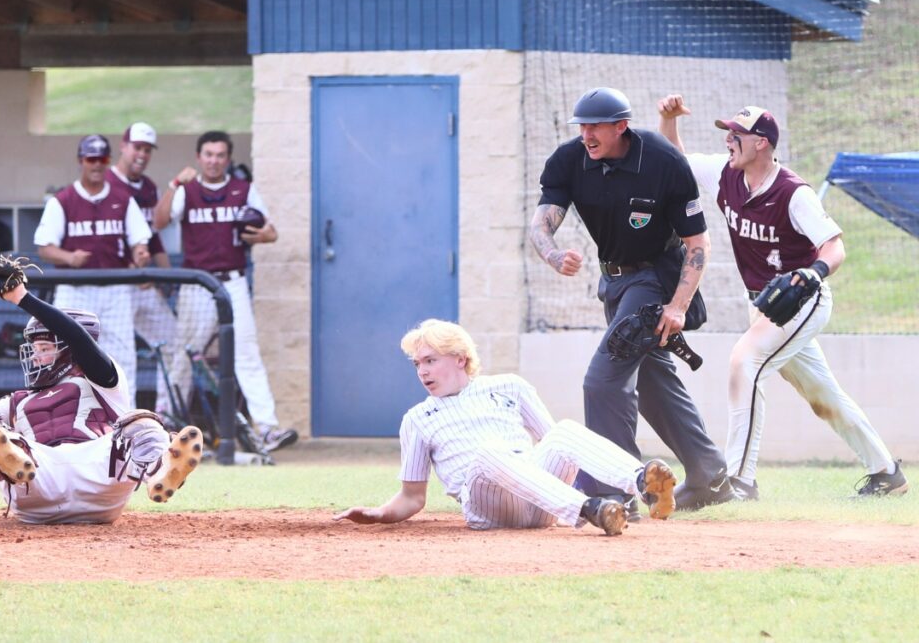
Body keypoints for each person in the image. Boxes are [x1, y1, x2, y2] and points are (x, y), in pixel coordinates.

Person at [657, 95, 908, 499]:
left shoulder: (794, 193)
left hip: (802, 301)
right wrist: (668, 121)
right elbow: (677, 160)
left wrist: (814, 273)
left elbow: (835, 246)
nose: (729, 141)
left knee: (745, 363)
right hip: (763, 304)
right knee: (822, 394)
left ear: (762, 143)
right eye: (728, 133)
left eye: (737, 134)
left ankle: (739, 480)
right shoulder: (726, 174)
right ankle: (886, 473)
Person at [528, 86, 733, 513]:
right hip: (615, 282)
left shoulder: (661, 160)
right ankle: (710, 475)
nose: (586, 134)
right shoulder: (570, 160)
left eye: (595, 126)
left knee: (602, 381)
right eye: (581, 126)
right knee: (653, 379)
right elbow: (540, 225)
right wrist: (552, 254)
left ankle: (616, 490)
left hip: (655, 279)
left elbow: (698, 241)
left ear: (620, 126)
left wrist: (677, 306)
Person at [334, 319, 679, 536]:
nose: (422, 371)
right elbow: (412, 497)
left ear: (460, 358)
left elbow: (555, 444)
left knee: (564, 430)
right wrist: (380, 514)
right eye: (417, 364)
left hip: (540, 500)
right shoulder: (417, 418)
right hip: (488, 506)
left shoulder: (509, 385)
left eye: (430, 361)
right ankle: (591, 509)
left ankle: (643, 484)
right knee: (488, 453)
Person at [0, 281, 202, 524]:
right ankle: (13, 458)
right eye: (34, 350)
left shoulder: (105, 382)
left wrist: (23, 298)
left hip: (99, 476)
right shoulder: (18, 400)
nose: (35, 357)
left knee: (142, 422)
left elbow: (78, 340)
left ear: (69, 350)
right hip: (38, 480)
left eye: (44, 349)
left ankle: (159, 472)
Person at [153, 130, 297, 452]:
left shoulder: (242, 190)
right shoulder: (187, 189)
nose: (214, 160)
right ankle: (164, 424)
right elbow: (159, 221)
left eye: (220, 155)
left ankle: (266, 428)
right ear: (199, 157)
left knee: (246, 352)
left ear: (228, 158)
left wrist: (262, 236)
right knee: (184, 355)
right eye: (209, 154)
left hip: (232, 280)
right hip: (198, 283)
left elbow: (270, 232)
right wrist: (174, 184)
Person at [34, 134, 152, 408]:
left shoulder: (123, 199)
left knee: (123, 358)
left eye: (102, 159)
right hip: (75, 289)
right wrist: (69, 257)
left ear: (109, 161)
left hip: (115, 289)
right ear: (81, 161)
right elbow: (44, 248)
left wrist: (141, 254)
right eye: (91, 159)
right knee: (64, 356)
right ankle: (64, 418)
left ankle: (126, 421)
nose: (97, 165)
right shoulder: (63, 199)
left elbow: (139, 242)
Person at [106, 122, 180, 417]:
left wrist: (165, 276)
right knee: (123, 359)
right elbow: (102, 240)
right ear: (123, 146)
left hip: (145, 283)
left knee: (174, 343)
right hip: (118, 285)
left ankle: (165, 413)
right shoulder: (107, 184)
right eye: (137, 147)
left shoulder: (148, 187)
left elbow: (154, 236)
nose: (142, 154)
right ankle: (128, 424)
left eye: (147, 150)